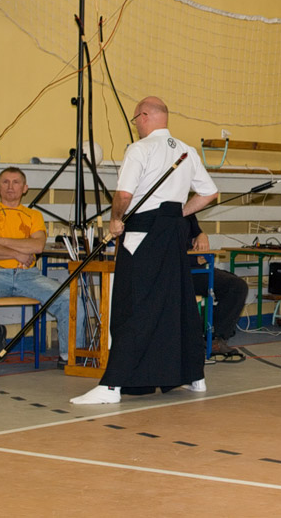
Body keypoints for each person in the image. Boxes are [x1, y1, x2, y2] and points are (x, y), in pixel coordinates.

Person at [71, 97, 218, 404]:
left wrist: (114, 219)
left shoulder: (139, 149)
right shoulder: (186, 150)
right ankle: (193, 376)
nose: (135, 124)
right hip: (172, 234)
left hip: (142, 233)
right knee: (174, 304)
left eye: (136, 118)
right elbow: (209, 193)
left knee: (132, 306)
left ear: (146, 116)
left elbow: (124, 193)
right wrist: (177, 214)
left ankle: (112, 386)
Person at [0, 167, 83, 366]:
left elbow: (37, 245)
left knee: (69, 300)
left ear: (25, 188)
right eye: (5, 182)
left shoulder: (33, 216)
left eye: (16, 182)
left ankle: (69, 357)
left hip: (28, 275)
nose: (10, 186)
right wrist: (17, 253)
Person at [187, 213, 248, 359]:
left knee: (235, 285)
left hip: (196, 268)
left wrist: (201, 234)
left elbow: (197, 233)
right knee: (235, 286)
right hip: (179, 272)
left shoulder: (186, 213)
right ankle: (212, 336)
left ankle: (212, 335)